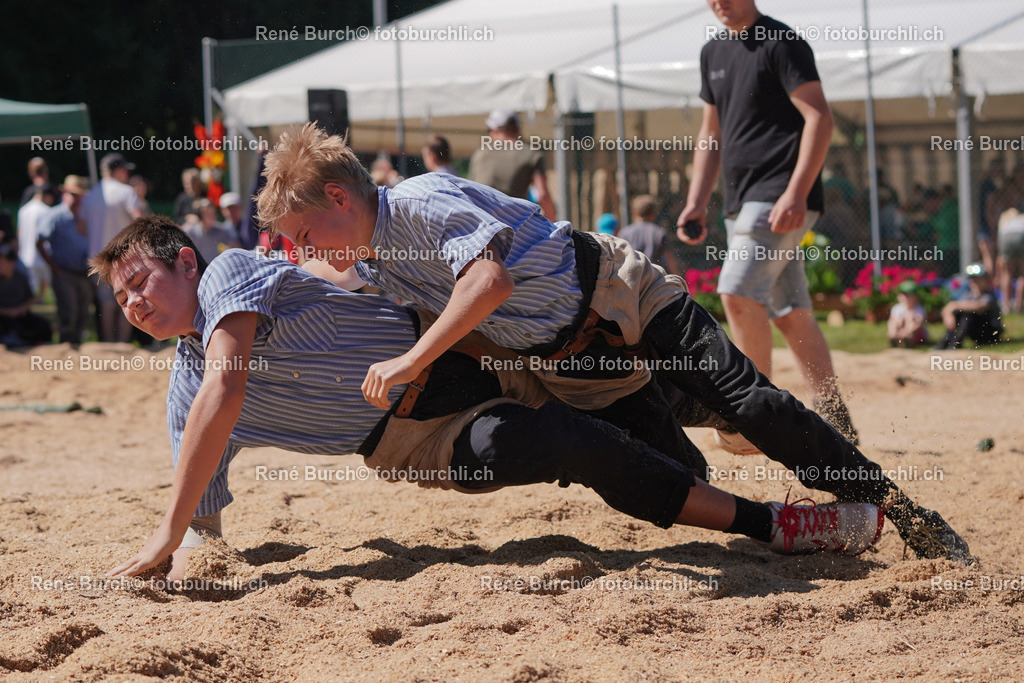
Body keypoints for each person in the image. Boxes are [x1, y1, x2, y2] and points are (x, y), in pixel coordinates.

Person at [255, 124, 973, 564]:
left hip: (622, 293)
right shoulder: (375, 256)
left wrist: (411, 361)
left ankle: (907, 513)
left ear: (341, 201)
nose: (302, 251)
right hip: (572, 362)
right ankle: (728, 443)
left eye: (303, 235)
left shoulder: (418, 200)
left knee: (753, 403)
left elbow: (490, 283)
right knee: (669, 470)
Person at [97, 216, 886, 581]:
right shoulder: (185, 391)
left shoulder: (232, 272)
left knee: (663, 386)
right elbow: (205, 505)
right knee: (566, 443)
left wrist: (169, 527)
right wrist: (194, 543)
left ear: (187, 264)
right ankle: (777, 523)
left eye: (141, 279)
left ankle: (751, 426)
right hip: (414, 439)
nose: (132, 301)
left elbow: (229, 381)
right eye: (121, 296)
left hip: (462, 344)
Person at [674, 0, 859, 451]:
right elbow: (710, 134)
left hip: (779, 195)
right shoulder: (712, 53)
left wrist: (796, 192)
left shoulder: (782, 42)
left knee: (736, 294)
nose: (719, 3)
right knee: (790, 313)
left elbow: (819, 117)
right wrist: (697, 200)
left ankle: (753, 417)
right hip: (742, 201)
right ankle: (837, 419)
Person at [81, 152, 145, 342]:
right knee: (125, 302)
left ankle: (108, 344)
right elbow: (140, 220)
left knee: (106, 303)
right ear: (118, 170)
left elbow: (81, 227)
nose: (126, 174)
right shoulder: (126, 192)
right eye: (125, 170)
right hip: (123, 257)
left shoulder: (91, 195)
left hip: (97, 258)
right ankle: (123, 344)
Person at [469, 109, 556, 220]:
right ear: (517, 129)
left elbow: (470, 192)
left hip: (482, 223)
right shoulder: (531, 154)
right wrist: (553, 221)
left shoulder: (479, 154)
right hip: (515, 223)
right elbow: (543, 195)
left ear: (495, 130)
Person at [39, 176, 94, 345]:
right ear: (64, 194)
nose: (76, 198)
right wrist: (53, 266)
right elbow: (40, 241)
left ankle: (76, 346)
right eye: (72, 194)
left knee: (83, 312)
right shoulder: (55, 216)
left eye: (79, 194)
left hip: (83, 271)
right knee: (68, 312)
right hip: (64, 271)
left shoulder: (86, 216)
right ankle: (65, 346)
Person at [934, 264, 1003, 350]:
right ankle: (945, 343)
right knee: (959, 313)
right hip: (975, 333)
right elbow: (951, 308)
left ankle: (955, 344)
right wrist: (949, 314)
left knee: (968, 315)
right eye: (973, 279)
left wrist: (954, 306)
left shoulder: (989, 295)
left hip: (990, 333)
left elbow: (979, 306)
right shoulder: (969, 294)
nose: (975, 282)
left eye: (978, 279)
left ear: (986, 281)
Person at [0, 242, 51, 346]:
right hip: (2, 316)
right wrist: (8, 312)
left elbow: (30, 298)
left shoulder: (20, 278)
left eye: (2, 262)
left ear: (12, 263)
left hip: (19, 315)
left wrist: (21, 308)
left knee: (42, 325)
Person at [619, 195, 681, 275]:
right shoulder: (659, 232)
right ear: (653, 213)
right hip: (654, 277)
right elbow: (670, 258)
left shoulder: (624, 232)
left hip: (632, 275)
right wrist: (676, 274)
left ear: (634, 212)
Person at [16, 181, 57, 296]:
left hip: (26, 255)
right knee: (51, 287)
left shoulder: (23, 210)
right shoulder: (46, 210)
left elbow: (20, 232)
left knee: (30, 289)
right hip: (43, 255)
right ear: (47, 196)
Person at [182, 199, 239, 263]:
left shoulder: (221, 230)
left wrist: (229, 249)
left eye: (213, 213)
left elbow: (235, 245)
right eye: (208, 214)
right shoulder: (189, 230)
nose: (212, 216)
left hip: (214, 269)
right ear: (200, 215)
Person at [996, 207, 1024, 313]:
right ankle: (1019, 306)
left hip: (1005, 237)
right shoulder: (1021, 219)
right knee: (1022, 274)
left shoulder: (1004, 221)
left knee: (1007, 273)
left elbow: (1000, 259)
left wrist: (998, 275)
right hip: (1022, 235)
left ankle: (1006, 306)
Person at [887, 281, 929, 348]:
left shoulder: (919, 309)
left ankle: (907, 340)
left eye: (908, 295)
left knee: (911, 316)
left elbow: (918, 324)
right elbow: (892, 321)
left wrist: (906, 331)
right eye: (904, 294)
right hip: (900, 331)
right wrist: (893, 331)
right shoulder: (897, 308)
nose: (906, 298)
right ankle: (894, 338)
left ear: (915, 297)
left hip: (915, 334)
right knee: (895, 321)